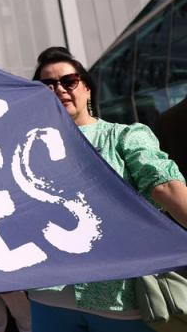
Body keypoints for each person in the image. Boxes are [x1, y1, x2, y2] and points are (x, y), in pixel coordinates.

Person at [28, 46, 187, 332]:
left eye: (68, 81)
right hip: (49, 296)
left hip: (118, 298)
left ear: (87, 89)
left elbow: (163, 185)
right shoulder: (26, 152)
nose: (59, 89)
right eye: (47, 85)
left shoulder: (124, 135)